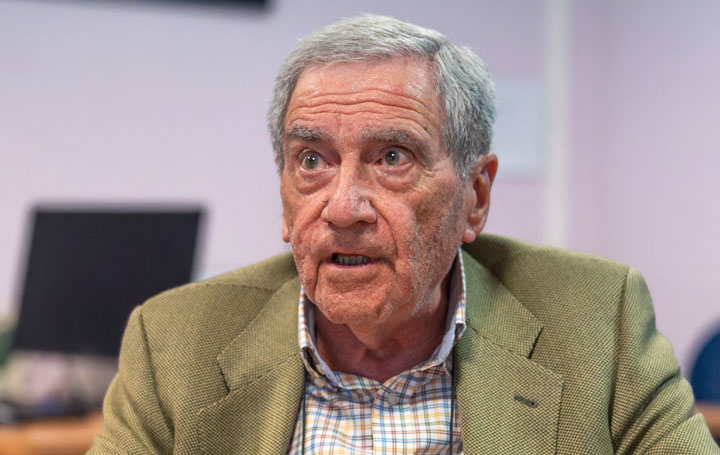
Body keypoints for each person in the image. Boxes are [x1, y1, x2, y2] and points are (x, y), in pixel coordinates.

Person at [88, 15, 719, 455]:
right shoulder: (174, 344)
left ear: (475, 197)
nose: (344, 208)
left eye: (393, 158)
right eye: (312, 160)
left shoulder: (595, 322)